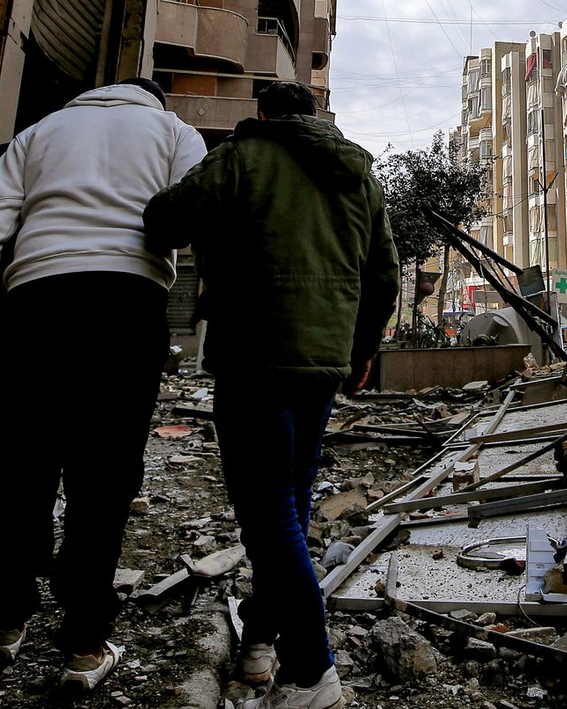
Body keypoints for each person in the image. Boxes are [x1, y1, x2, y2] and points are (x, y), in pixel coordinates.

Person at [143, 81, 399, 709]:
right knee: (285, 508)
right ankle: (260, 640)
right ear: (315, 117)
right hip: (321, 365)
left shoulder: (242, 156)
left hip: (253, 357)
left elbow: (165, 219)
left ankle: (313, 671)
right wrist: (359, 350)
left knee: (271, 516)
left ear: (261, 114)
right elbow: (384, 275)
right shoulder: (358, 173)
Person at [0, 78, 208, 692]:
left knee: (22, 462)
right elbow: (195, 211)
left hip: (33, 295)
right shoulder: (173, 131)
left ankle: (6, 617)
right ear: (154, 102)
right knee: (105, 471)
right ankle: (85, 643)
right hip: (125, 300)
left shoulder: (38, 132)